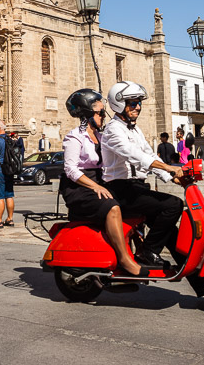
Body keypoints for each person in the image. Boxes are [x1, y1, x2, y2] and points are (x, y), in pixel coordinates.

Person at [101, 81, 185, 268]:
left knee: (170, 231)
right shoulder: (113, 129)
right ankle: (147, 251)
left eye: (139, 102)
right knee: (174, 205)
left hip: (137, 188)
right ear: (119, 103)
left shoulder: (135, 128)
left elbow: (149, 154)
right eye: (133, 102)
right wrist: (169, 168)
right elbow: (133, 154)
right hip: (121, 190)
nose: (138, 107)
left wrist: (173, 177)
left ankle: (199, 278)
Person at [61, 89, 144, 276]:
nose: (103, 116)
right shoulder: (74, 137)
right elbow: (71, 170)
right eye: (100, 112)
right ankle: (124, 259)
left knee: (133, 201)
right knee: (113, 208)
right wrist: (95, 186)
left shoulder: (100, 136)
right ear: (87, 114)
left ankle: (141, 250)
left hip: (99, 182)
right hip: (79, 187)